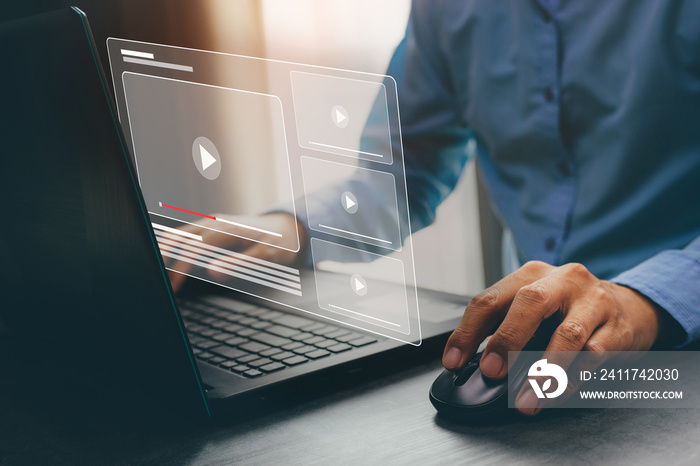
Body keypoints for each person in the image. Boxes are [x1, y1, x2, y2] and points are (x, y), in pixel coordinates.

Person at [170, 0, 700, 415]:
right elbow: (404, 169)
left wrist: (643, 302)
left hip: (679, 348)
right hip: (532, 350)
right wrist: (292, 226)